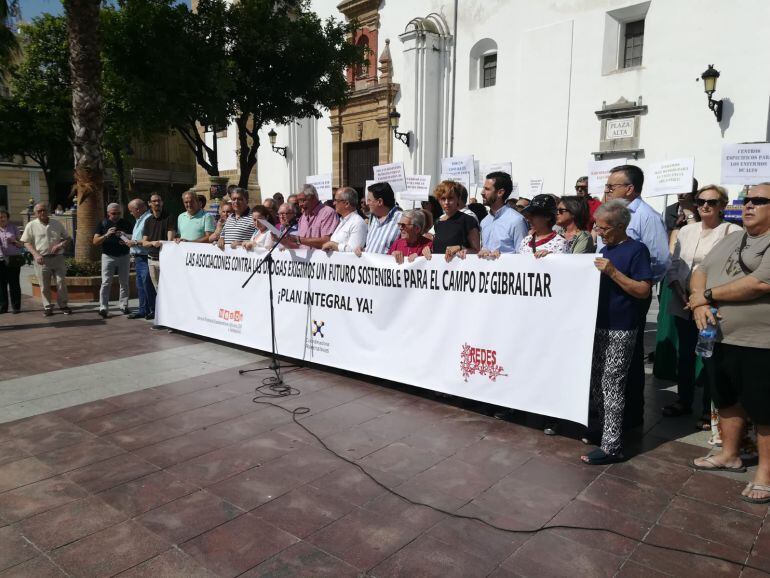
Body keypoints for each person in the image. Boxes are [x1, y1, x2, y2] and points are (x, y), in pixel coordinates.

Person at [688, 183, 770, 504]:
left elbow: (759, 283)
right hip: (719, 335)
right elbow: (701, 270)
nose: (749, 205)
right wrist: (699, 300)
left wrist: (706, 296)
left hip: (760, 341)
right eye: (747, 200)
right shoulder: (733, 237)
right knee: (726, 396)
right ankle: (730, 454)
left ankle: (765, 474)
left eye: (759, 201)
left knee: (764, 409)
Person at [581, 200, 653, 464]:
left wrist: (613, 272)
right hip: (598, 324)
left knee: (612, 384)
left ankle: (612, 446)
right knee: (597, 382)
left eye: (604, 228)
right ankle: (603, 430)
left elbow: (643, 289)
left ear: (621, 226)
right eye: (597, 227)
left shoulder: (637, 250)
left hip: (621, 327)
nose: (599, 233)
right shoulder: (605, 249)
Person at [662, 185, 741, 420]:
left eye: (712, 202)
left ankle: (709, 409)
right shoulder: (687, 230)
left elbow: (732, 270)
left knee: (709, 356)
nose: (705, 206)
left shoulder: (732, 232)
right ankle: (684, 400)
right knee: (685, 355)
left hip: (711, 304)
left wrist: (703, 299)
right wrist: (680, 293)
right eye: (700, 201)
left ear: (722, 206)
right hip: (683, 302)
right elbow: (674, 264)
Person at [602, 165, 670, 429]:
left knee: (630, 359)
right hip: (609, 295)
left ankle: (631, 416)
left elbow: (660, 260)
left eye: (612, 186)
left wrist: (638, 283)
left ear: (630, 189)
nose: (607, 191)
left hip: (631, 295)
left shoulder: (647, 217)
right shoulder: (610, 213)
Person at [21, 203, 72, 317]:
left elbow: (68, 238)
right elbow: (26, 242)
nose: (42, 212)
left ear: (48, 210)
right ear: (35, 213)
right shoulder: (31, 225)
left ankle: (63, 305)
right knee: (44, 285)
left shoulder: (57, 223)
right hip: (42, 260)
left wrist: (60, 245)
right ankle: (48, 307)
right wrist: (35, 255)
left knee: (61, 282)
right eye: (39, 211)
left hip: (58, 258)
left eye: (44, 210)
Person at [92, 203, 133, 318]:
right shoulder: (103, 223)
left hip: (124, 255)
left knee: (124, 282)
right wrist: (106, 234)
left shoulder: (126, 223)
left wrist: (125, 236)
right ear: (108, 213)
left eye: (119, 213)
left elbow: (134, 237)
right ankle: (103, 307)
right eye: (114, 213)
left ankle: (124, 305)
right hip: (108, 256)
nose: (116, 215)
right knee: (106, 282)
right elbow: (95, 241)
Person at [424, 180, 480, 261]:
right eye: (443, 199)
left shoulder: (469, 220)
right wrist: (427, 249)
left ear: (458, 199)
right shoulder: (438, 222)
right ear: (439, 200)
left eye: (450, 198)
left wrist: (460, 248)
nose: (446, 202)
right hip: (439, 267)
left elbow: (477, 251)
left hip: (461, 267)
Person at [478, 171, 528, 257]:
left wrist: (502, 257)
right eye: (483, 188)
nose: (482, 192)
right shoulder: (484, 221)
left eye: (487, 189)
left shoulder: (517, 221)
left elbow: (523, 256)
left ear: (500, 193)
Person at [281, 184, 338, 250]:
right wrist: (283, 242)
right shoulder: (303, 217)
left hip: (320, 256)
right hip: (304, 256)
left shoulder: (327, 213)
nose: (300, 204)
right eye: (299, 201)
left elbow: (326, 242)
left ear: (313, 198)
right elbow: (300, 246)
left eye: (302, 200)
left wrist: (298, 239)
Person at [125, 198, 154, 320]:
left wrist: (135, 242)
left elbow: (149, 238)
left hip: (145, 256)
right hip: (138, 258)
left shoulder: (148, 219)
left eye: (131, 210)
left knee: (147, 285)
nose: (130, 213)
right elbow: (138, 237)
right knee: (141, 286)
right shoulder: (139, 220)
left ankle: (152, 310)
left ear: (137, 209)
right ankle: (143, 310)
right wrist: (127, 237)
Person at [141, 194, 176, 292]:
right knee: (157, 290)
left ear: (162, 202)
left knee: (167, 289)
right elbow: (144, 243)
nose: (157, 203)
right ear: (149, 203)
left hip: (164, 259)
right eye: (154, 201)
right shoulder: (148, 220)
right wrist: (152, 243)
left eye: (159, 201)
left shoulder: (169, 217)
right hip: (151, 261)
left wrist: (162, 243)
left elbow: (170, 241)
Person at [322, 187, 367, 253]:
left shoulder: (358, 223)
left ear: (347, 204)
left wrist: (334, 245)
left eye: (336, 200)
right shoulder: (342, 220)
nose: (334, 203)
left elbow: (355, 251)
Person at [361, 182, 402, 254]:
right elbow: (372, 247)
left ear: (379, 202)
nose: (367, 203)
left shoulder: (401, 219)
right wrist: (363, 250)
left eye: (369, 200)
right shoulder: (372, 219)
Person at [0, 209, 24, 314]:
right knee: (1, 285)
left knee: (14, 284)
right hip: (0, 260)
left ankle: (16, 307)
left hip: (13, 260)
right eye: (0, 217)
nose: (1, 219)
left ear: (7, 218)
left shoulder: (14, 228)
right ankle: (3, 307)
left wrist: (13, 241)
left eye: (3, 217)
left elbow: (22, 245)